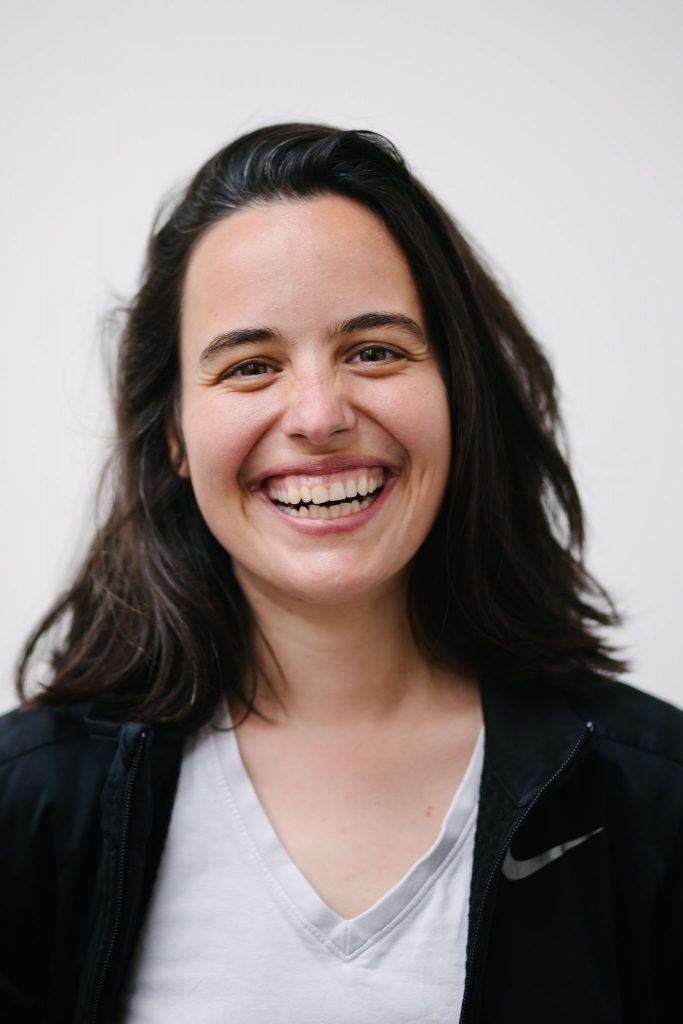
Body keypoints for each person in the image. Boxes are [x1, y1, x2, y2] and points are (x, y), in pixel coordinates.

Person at [1, 123, 681, 1024]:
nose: (318, 415)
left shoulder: (652, 798)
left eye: (375, 351)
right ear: (172, 433)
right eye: (250, 366)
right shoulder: (26, 808)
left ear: (459, 395)